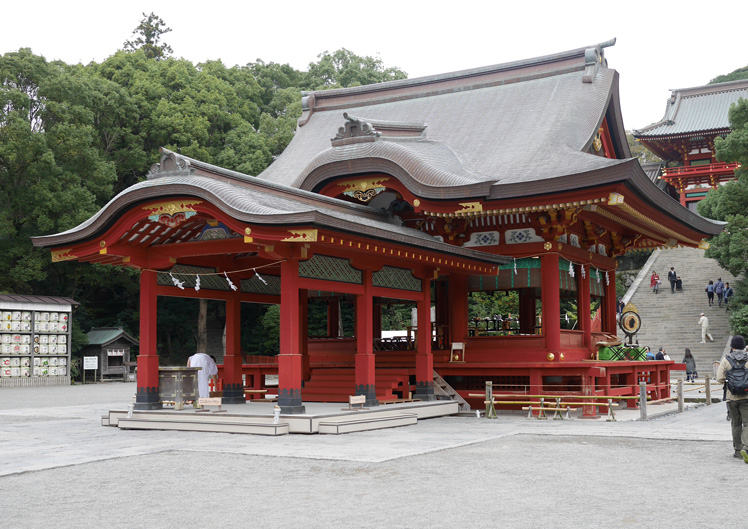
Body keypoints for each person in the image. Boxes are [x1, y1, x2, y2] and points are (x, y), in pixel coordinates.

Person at [716, 335, 748, 462]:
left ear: (732, 346)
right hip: (746, 396)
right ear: (743, 346)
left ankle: (737, 450)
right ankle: (746, 447)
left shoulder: (726, 360)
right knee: (747, 423)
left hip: (732, 397)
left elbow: (719, 378)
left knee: (736, 423)